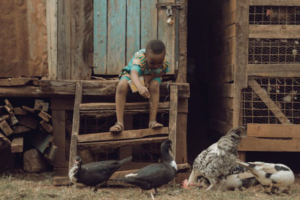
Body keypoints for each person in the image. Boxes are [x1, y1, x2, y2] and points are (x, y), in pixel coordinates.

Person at [109, 40, 170, 132]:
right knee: (121, 86)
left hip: (152, 76)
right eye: (152, 63)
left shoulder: (164, 61)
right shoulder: (140, 57)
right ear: (146, 55)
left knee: (155, 85)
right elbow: (134, 74)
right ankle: (119, 123)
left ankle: (152, 121)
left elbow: (163, 72)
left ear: (164, 56)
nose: (156, 66)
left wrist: (149, 77)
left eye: (159, 63)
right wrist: (140, 87)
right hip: (132, 75)